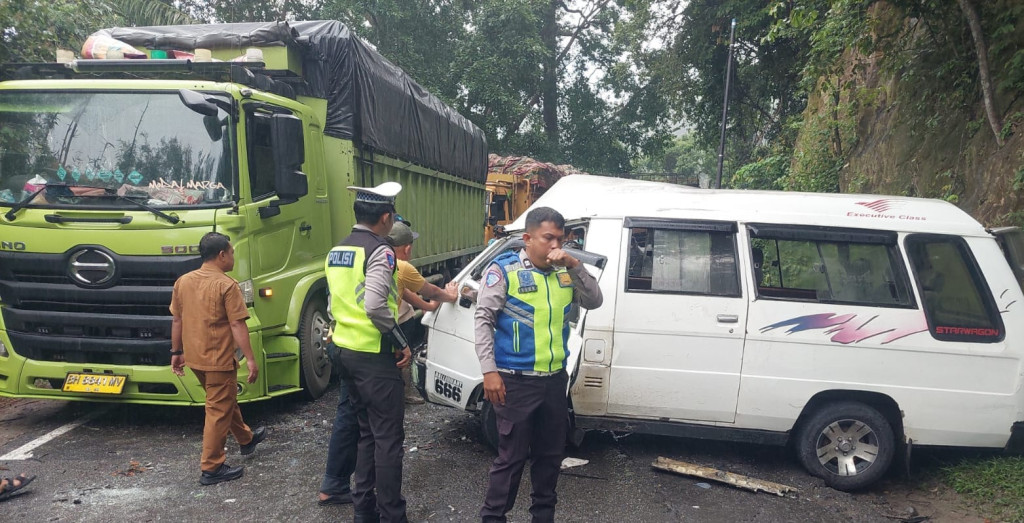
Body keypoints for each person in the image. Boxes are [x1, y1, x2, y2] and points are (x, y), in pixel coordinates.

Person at [475, 207, 604, 523]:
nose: (555, 245)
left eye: (560, 239)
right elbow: (483, 320)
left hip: (553, 382)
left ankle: (543, 517)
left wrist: (575, 264)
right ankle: (493, 517)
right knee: (512, 458)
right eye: (548, 238)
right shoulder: (503, 271)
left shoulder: (564, 273)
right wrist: (489, 371)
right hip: (514, 381)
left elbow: (594, 299)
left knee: (549, 458)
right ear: (527, 238)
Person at [325, 181, 410, 523]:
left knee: (366, 432)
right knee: (388, 438)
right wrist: (400, 340)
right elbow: (375, 305)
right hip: (373, 355)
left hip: (343, 349)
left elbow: (334, 301)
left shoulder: (338, 250)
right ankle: (392, 515)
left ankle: (364, 511)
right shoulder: (381, 250)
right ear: (386, 217)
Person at [170, 232, 266, 486]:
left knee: (222, 399)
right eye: (232, 252)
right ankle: (212, 467)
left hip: (194, 356)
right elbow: (236, 324)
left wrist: (176, 352)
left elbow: (177, 319)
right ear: (222, 255)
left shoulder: (183, 281)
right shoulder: (227, 285)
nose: (233, 257)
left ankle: (246, 438)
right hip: (218, 358)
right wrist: (251, 359)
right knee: (217, 409)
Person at [386, 221, 459, 403]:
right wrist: (449, 296)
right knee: (402, 356)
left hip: (366, 333)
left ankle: (399, 394)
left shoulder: (377, 260)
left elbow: (404, 293)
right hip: (387, 327)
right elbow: (431, 291)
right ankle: (399, 395)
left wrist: (429, 307)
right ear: (407, 248)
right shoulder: (401, 266)